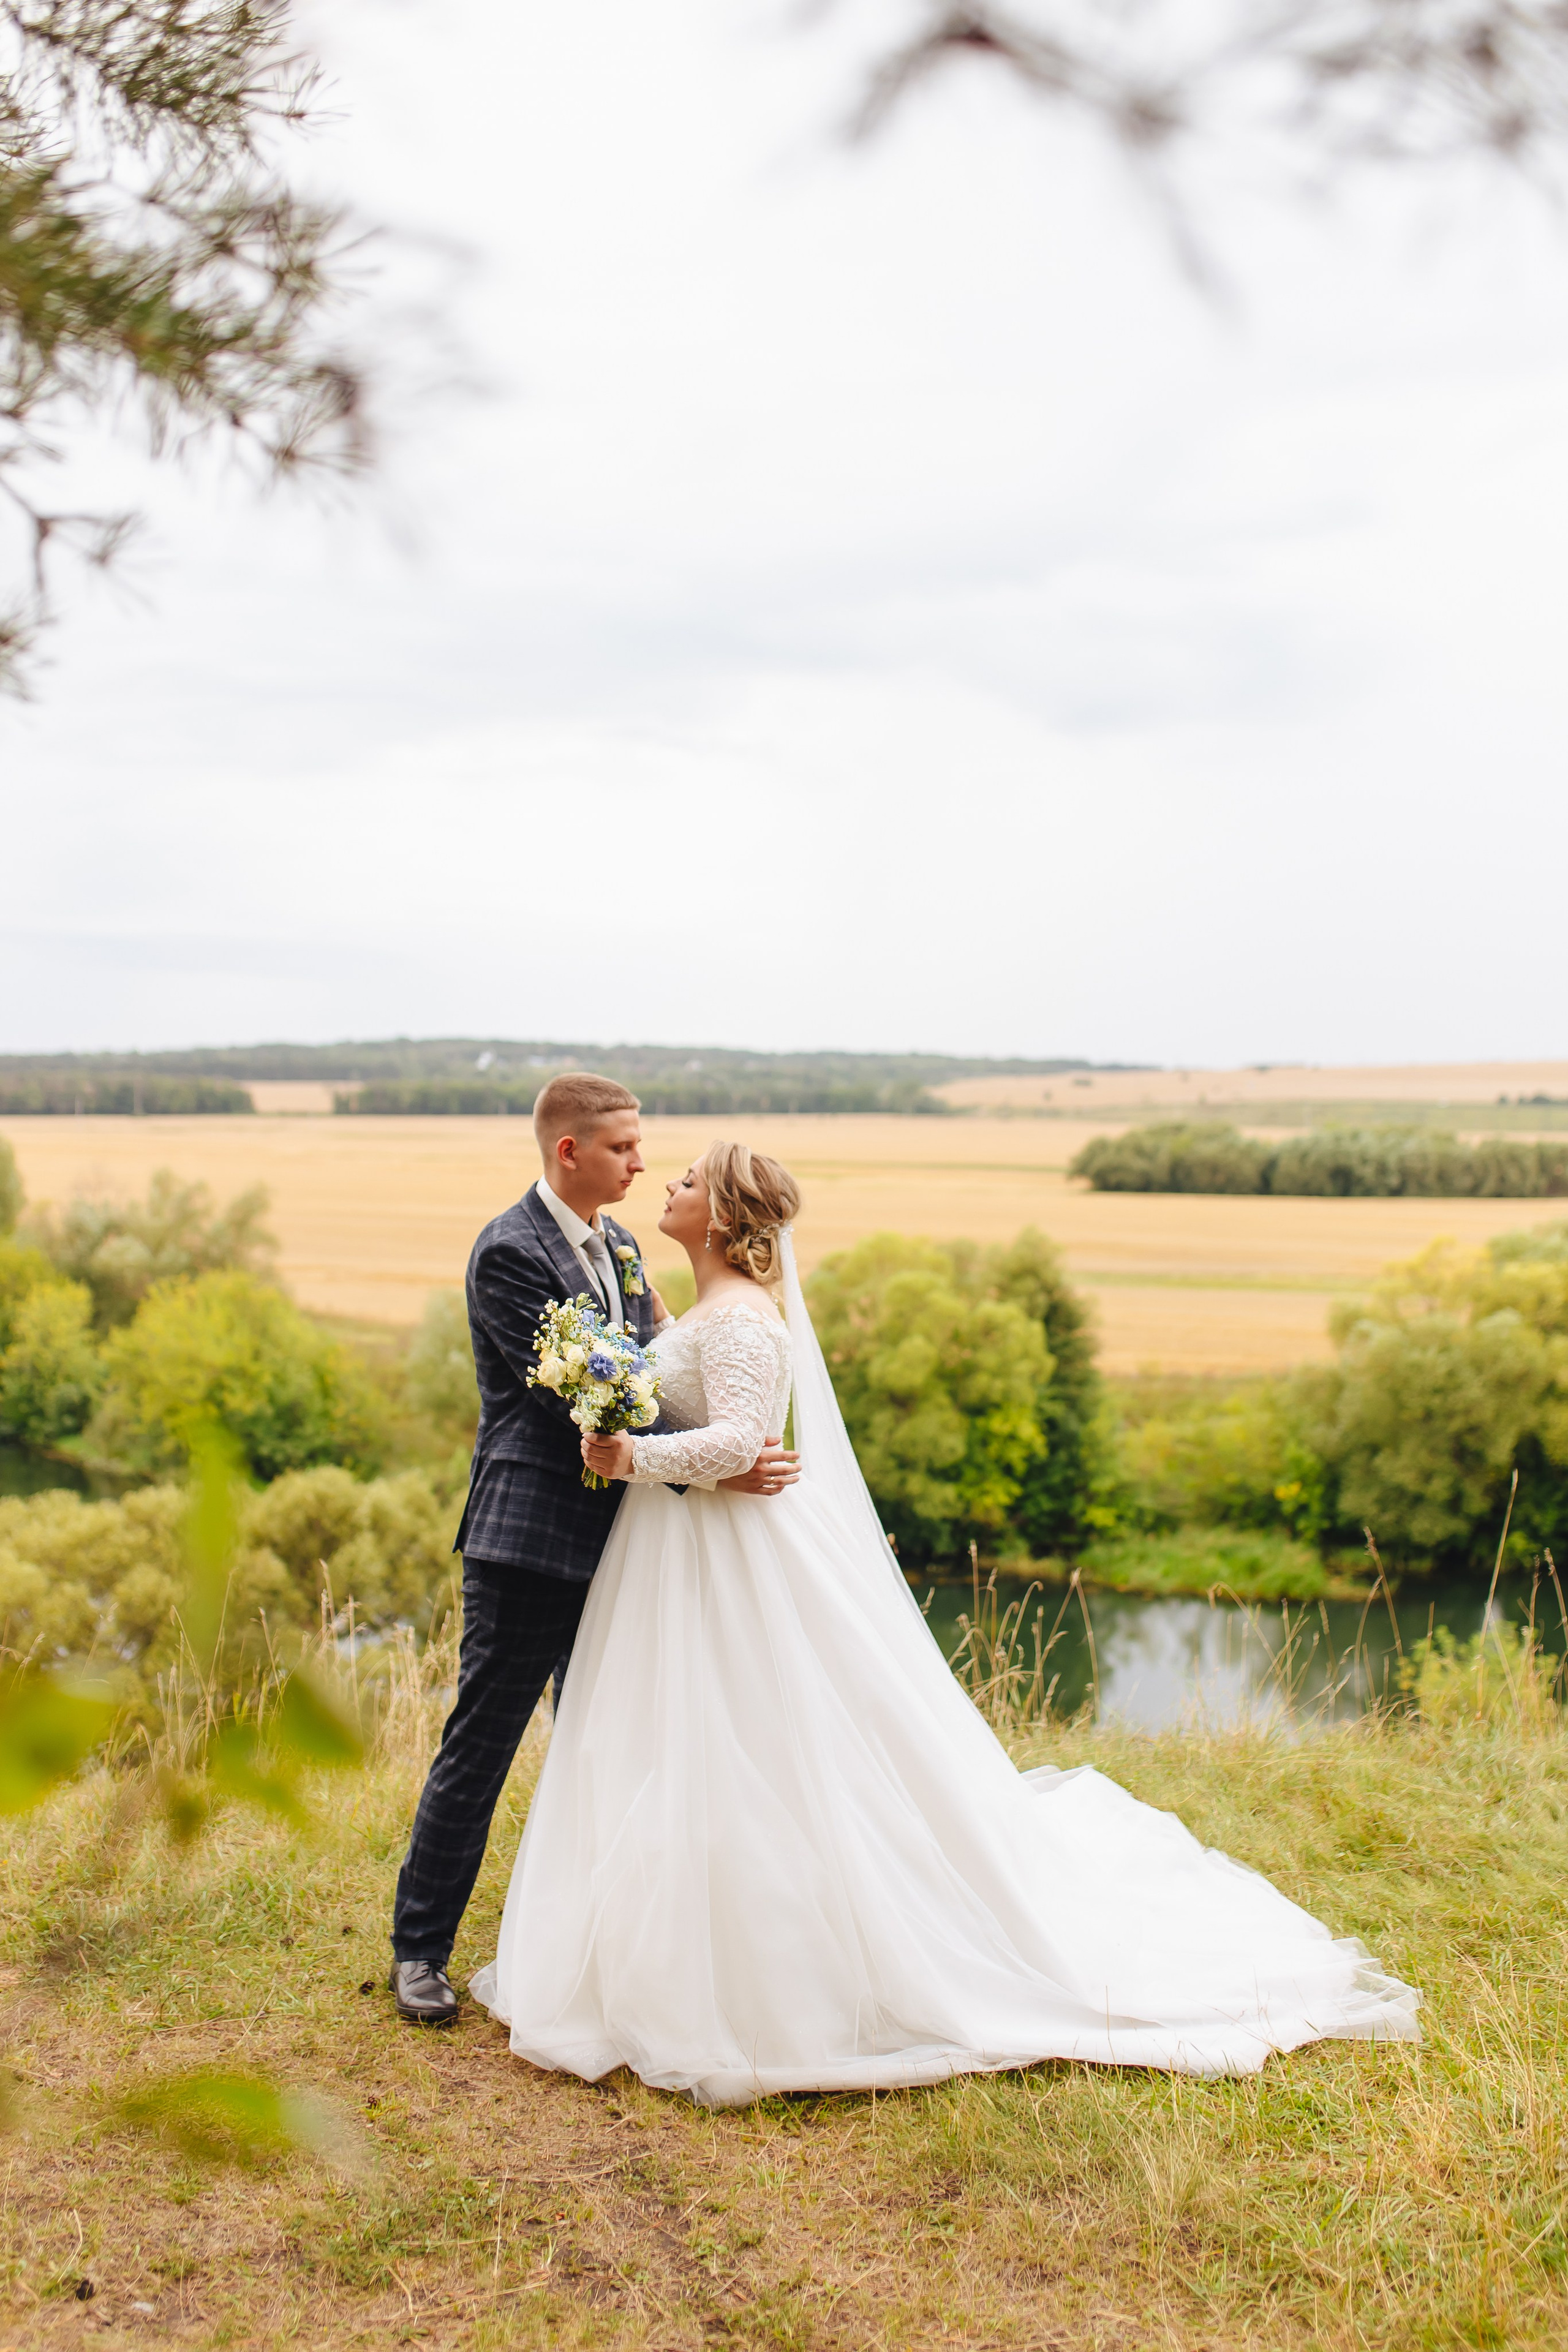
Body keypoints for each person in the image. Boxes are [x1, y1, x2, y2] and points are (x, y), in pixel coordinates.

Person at [469, 1140, 1420, 2105]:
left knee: (755, 1743)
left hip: (728, 1563)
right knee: (687, 1744)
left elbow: (745, 1441)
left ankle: (778, 1965)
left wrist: (631, 1456)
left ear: (720, 1218)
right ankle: (672, 1938)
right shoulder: (704, 1307)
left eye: (685, 1181)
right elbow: (694, 1406)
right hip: (680, 1556)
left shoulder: (748, 1321)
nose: (664, 1185)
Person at [388, 1077, 798, 2025]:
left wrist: (728, 1446)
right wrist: (712, 1469)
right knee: (481, 1745)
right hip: (530, 1540)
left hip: (629, 1549)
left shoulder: (618, 1246)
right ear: (569, 1151)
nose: (641, 1163)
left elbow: (664, 1382)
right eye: (622, 1148)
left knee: (604, 1747)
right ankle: (420, 1951)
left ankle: (600, 1953)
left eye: (643, 1146)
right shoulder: (507, 1253)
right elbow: (575, 1404)